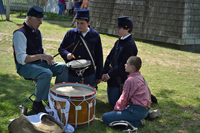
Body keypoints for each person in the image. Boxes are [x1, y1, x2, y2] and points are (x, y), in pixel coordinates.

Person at [12, 6, 68, 113]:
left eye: (41, 20)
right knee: (46, 73)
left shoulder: (38, 32)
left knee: (63, 67)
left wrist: (47, 57)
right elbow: (21, 59)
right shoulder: (19, 33)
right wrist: (41, 56)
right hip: (25, 67)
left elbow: (40, 51)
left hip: (39, 64)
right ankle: (37, 103)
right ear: (29, 18)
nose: (41, 23)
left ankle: (57, 97)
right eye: (38, 20)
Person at [102, 56, 151, 128]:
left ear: (132, 67)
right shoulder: (141, 77)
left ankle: (137, 122)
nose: (125, 64)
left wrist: (116, 110)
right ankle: (140, 117)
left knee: (106, 117)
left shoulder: (130, 80)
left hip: (136, 111)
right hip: (145, 109)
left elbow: (124, 98)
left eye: (127, 63)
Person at [58, 9, 103, 87]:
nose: (79, 26)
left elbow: (99, 56)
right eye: (77, 23)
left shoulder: (95, 35)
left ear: (88, 23)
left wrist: (99, 75)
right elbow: (61, 48)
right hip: (72, 73)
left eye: (82, 23)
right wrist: (67, 54)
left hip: (89, 73)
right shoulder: (70, 34)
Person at [102, 16, 138, 107]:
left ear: (128, 29)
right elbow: (109, 57)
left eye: (119, 28)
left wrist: (109, 74)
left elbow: (123, 66)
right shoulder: (119, 41)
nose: (117, 29)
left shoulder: (130, 45)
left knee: (116, 103)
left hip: (120, 80)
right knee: (112, 102)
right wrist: (104, 72)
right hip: (113, 77)